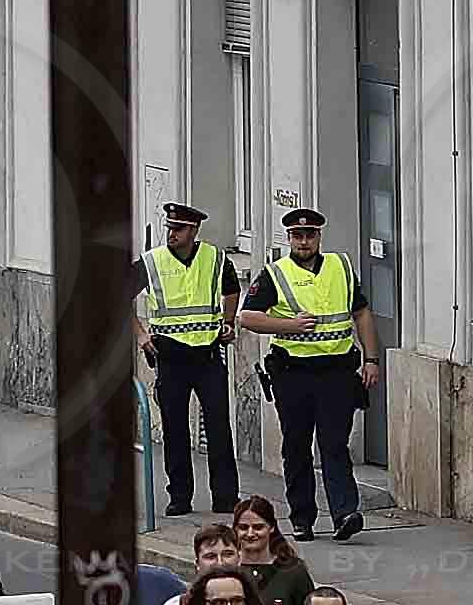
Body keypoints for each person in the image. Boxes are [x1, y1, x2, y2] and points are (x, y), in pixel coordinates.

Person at [239, 203, 375, 541]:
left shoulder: (340, 267)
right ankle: (302, 518)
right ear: (289, 238)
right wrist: (289, 325)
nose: (304, 242)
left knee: (334, 444)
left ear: (319, 237)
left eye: (309, 235)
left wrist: (371, 358)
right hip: (293, 373)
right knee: (296, 447)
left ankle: (345, 513)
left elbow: (361, 313)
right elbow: (247, 317)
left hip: (336, 372)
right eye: (297, 236)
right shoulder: (276, 273)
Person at [139, 201, 241, 521]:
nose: (172, 234)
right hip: (170, 356)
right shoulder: (151, 262)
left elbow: (232, 289)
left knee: (219, 428)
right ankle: (179, 496)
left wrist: (228, 322)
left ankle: (225, 497)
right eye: (169, 228)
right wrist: (141, 335)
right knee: (175, 430)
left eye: (179, 229)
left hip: (208, 355)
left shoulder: (215, 258)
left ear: (194, 231)